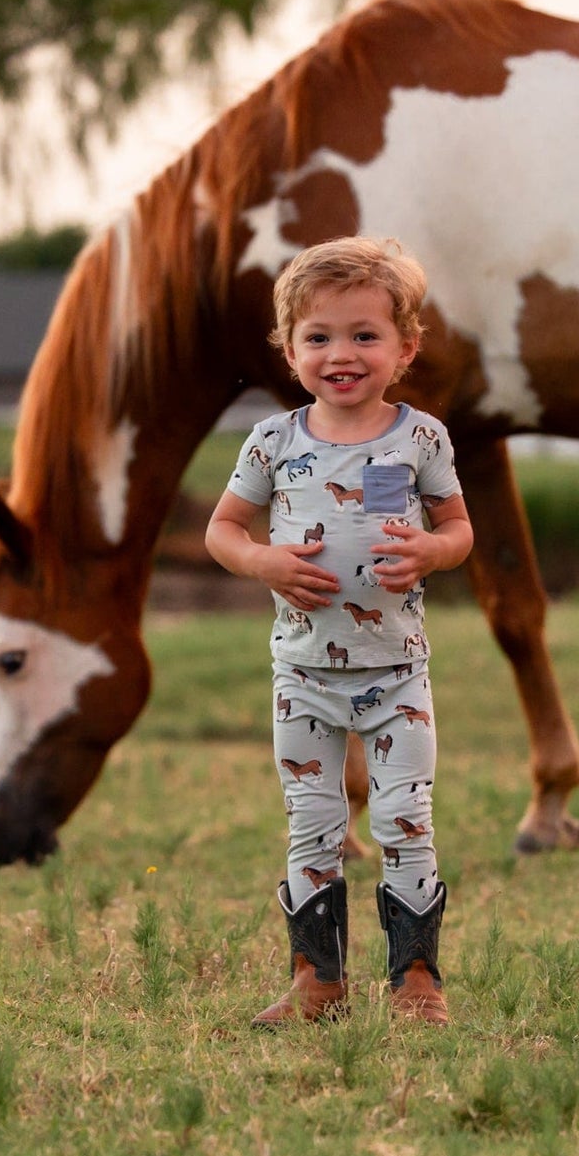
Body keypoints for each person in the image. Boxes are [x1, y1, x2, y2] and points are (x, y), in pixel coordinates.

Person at [206, 236, 473, 1027]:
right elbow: (223, 529)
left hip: (396, 675)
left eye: (365, 335)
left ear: (405, 348)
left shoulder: (419, 438)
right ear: (290, 352)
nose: (341, 354)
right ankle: (317, 982)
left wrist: (432, 548)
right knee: (313, 822)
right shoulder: (273, 443)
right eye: (318, 337)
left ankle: (416, 984)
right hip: (303, 679)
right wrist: (263, 563)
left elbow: (458, 529)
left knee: (404, 819)